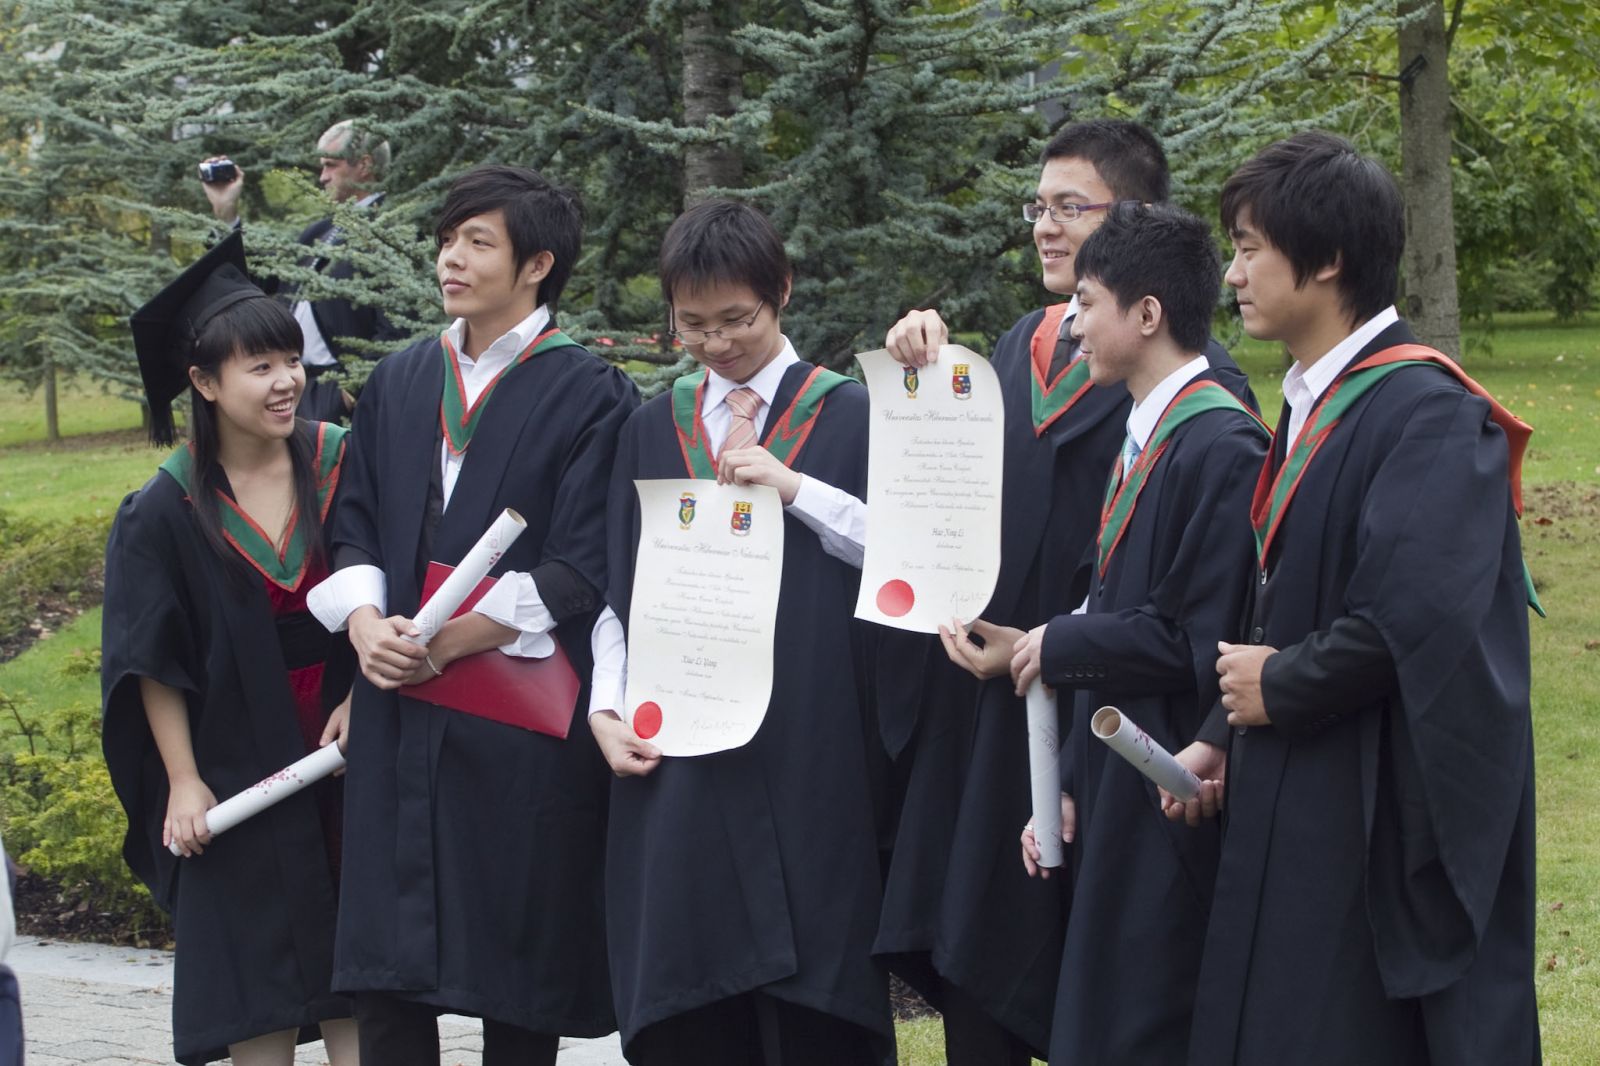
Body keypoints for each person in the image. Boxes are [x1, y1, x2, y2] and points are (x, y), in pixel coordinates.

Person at [875, 118, 1257, 1061]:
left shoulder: (1209, 414)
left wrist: (1059, 648)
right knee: (983, 951)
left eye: (1070, 208)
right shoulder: (1018, 347)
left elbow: (1187, 611)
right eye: (1037, 206)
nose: (1044, 227)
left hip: (1115, 717)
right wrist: (928, 371)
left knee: (1116, 984)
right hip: (1008, 703)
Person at [1193, 131, 1539, 1066]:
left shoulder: (1427, 411)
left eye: (1252, 246)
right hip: (1298, 774)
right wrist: (1229, 731)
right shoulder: (1314, 402)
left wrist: (1284, 685)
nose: (1235, 272)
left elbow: (1413, 616)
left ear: (1330, 258)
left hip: (1371, 794)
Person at [306, 164, 637, 1065]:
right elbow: (356, 519)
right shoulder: (408, 376)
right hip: (399, 703)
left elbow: (584, 561)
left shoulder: (588, 391)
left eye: (477, 241)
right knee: (384, 972)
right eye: (449, 238)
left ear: (537, 264)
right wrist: (368, 626)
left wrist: (451, 639)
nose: (452, 256)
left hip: (511, 723)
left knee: (514, 975)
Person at [587, 200, 892, 1064]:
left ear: (782, 292)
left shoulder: (851, 417)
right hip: (680, 759)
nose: (717, 345)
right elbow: (618, 591)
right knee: (693, 998)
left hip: (811, 744)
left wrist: (795, 490)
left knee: (815, 1003)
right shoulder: (651, 426)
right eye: (693, 325)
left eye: (738, 321)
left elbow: (909, 564)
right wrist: (606, 709)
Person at [1003, 203, 1268, 1062]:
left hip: (1174, 807)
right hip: (1117, 790)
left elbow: (1201, 642)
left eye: (1086, 302)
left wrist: (1061, 642)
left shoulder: (1220, 444)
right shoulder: (1143, 434)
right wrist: (1069, 783)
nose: (1071, 324)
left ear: (1147, 314)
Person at [101, 229, 358, 1066]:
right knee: (257, 990)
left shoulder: (339, 462)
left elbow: (394, 591)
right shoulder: (163, 510)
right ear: (205, 383)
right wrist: (181, 780)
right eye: (259, 366)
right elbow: (149, 658)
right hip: (236, 765)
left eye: (290, 358)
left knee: (367, 979)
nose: (287, 381)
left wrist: (370, 697)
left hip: (347, 748)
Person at [202, 120, 403, 422]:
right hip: (296, 387)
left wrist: (353, 391)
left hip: (343, 399)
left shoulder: (393, 233)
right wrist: (225, 215)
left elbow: (399, 328)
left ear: (364, 165)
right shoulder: (319, 232)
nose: (322, 177)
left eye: (331, 165)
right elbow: (254, 279)